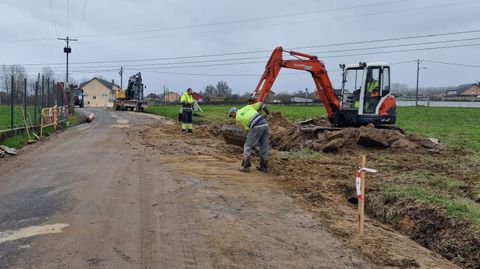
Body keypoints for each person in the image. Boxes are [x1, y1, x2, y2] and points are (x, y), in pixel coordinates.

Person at [229, 102, 269, 173]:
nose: (232, 117)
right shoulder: (247, 107)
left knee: (247, 146)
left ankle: (246, 166)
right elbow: (261, 104)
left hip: (256, 126)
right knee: (264, 146)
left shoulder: (238, 118)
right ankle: (264, 167)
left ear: (233, 113)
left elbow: (247, 129)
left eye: (231, 115)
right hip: (265, 124)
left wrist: (250, 141)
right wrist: (267, 113)